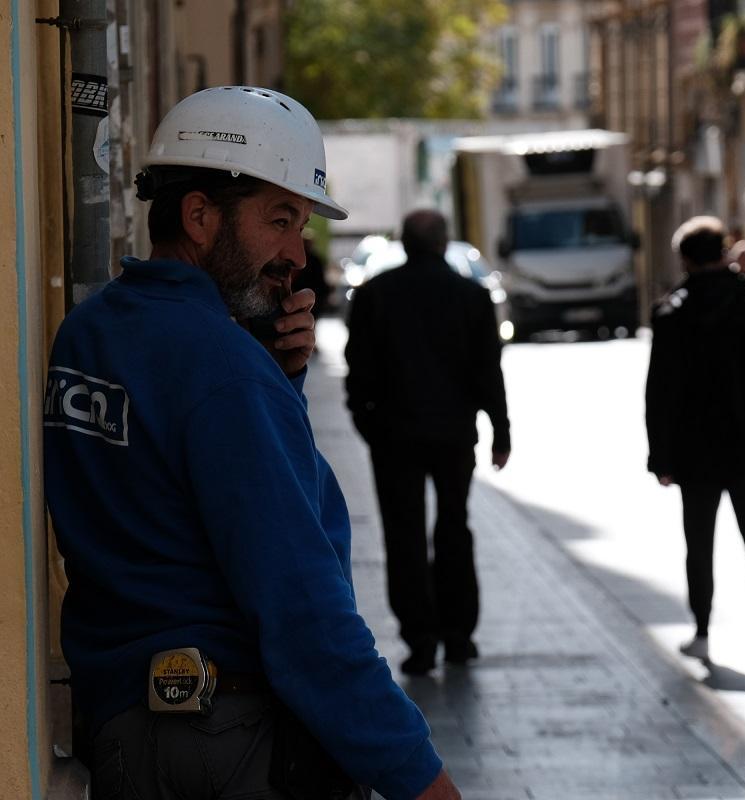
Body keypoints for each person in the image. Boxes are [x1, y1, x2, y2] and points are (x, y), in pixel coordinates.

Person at [42, 86, 459, 800]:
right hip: (229, 744)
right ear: (200, 216)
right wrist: (421, 779)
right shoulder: (225, 371)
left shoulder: (90, 333)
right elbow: (303, 611)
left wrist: (279, 383)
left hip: (123, 738)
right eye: (279, 220)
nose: (296, 254)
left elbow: (159, 492)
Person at [345, 209, 511, 676]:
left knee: (404, 536)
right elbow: (488, 371)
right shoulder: (472, 297)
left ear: (403, 243)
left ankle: (419, 639)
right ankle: (459, 634)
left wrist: (367, 424)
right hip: (454, 432)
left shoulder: (376, 294)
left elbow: (358, 368)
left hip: (394, 436)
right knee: (454, 527)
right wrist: (500, 430)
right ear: (443, 242)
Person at [645, 216, 745, 669]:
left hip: (696, 451)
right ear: (723, 252)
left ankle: (703, 632)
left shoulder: (672, 316)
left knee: (699, 541)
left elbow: (660, 393)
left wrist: (661, 455)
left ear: (686, 259)